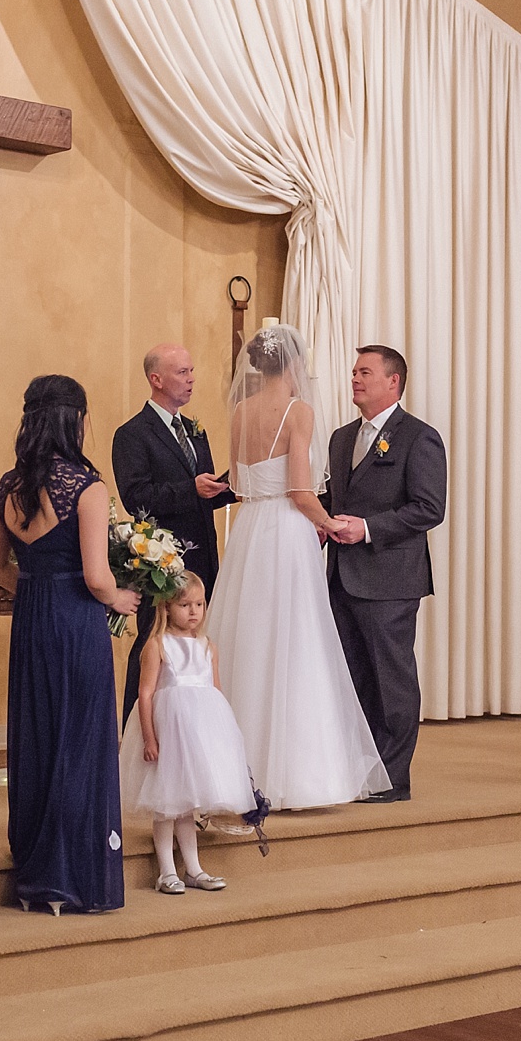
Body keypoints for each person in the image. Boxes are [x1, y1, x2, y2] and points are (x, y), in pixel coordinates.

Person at [208, 324, 389, 809]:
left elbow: (241, 487)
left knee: (247, 639)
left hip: (249, 530)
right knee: (295, 643)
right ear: (292, 366)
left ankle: (230, 768)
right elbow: (299, 490)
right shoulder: (298, 411)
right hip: (287, 533)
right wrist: (330, 523)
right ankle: (294, 773)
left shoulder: (240, 411)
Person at [0, 375, 140, 914]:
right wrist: (118, 596)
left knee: (39, 738)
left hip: (30, 619)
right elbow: (97, 576)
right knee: (81, 740)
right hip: (76, 621)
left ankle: (35, 877)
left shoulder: (8, 486)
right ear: (76, 420)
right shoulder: (86, 486)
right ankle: (70, 878)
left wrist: (33, 587)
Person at [324, 343, 449, 803]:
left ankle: (394, 777)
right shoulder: (341, 437)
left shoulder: (419, 437)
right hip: (341, 575)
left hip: (391, 579)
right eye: (354, 371)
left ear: (393, 381)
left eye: (365, 372)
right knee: (352, 677)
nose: (355, 379)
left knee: (391, 677)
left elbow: (428, 509)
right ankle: (360, 769)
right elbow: (333, 500)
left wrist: (369, 529)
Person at [112, 343, 235, 722]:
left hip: (202, 557)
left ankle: (187, 729)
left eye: (192, 370)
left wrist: (240, 487)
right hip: (159, 562)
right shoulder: (132, 434)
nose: (191, 378)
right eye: (182, 372)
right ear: (156, 379)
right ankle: (137, 735)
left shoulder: (195, 431)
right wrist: (191, 489)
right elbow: (137, 497)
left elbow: (205, 493)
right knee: (154, 646)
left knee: (193, 649)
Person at [120, 573, 258, 893]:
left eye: (199, 604)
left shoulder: (208, 647)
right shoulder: (157, 646)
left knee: (187, 807)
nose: (194, 611)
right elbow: (146, 695)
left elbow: (216, 693)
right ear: (167, 607)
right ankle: (167, 871)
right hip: (168, 733)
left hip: (199, 737)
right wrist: (150, 738)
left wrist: (225, 740)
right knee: (167, 803)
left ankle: (194, 869)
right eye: (185, 604)